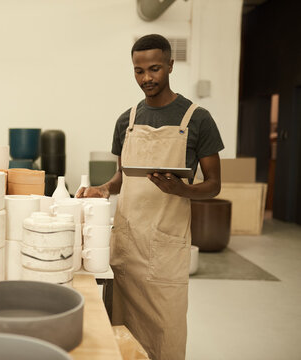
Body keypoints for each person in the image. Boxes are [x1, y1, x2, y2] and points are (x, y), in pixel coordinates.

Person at [76, 34, 224, 360]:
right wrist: (103, 188)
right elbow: (122, 176)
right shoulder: (126, 121)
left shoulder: (197, 119)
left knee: (165, 332)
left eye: (154, 69)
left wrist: (182, 189)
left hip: (165, 248)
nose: (147, 78)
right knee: (122, 330)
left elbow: (214, 184)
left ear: (170, 65)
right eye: (138, 71)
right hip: (127, 245)